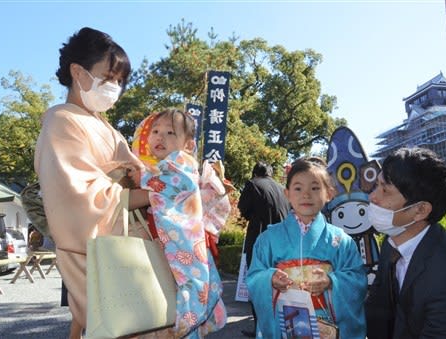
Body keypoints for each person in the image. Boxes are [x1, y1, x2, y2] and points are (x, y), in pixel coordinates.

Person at [34, 27, 150, 339]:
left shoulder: (108, 129)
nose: (114, 87)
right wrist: (148, 194)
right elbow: (80, 199)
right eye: (108, 77)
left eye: (119, 81)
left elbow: (139, 174)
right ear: (77, 71)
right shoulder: (62, 121)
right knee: (123, 323)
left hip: (130, 248)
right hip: (102, 253)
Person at [132, 108, 229, 338]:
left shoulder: (181, 163)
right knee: (187, 282)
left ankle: (186, 321)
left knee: (190, 282)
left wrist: (141, 178)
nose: (159, 137)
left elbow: (171, 184)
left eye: (170, 132)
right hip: (178, 240)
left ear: (187, 144)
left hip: (184, 240)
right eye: (155, 131)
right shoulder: (165, 165)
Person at [365, 147, 446, 338]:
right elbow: (379, 309)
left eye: (385, 190)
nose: (372, 197)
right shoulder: (392, 244)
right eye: (376, 185)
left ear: (420, 210)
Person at [246, 157, 368, 338]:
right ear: (287, 194)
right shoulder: (268, 239)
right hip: (284, 322)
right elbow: (254, 277)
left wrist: (331, 281)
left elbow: (357, 280)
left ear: (329, 194)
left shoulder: (341, 240)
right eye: (298, 188)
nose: (306, 194)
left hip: (326, 324)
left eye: (315, 188)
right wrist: (269, 278)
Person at [237, 161, 290, 337]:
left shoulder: (253, 184)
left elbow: (243, 209)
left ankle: (260, 327)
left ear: (254, 173)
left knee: (258, 281)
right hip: (283, 241)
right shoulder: (281, 188)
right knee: (282, 283)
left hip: (261, 239)